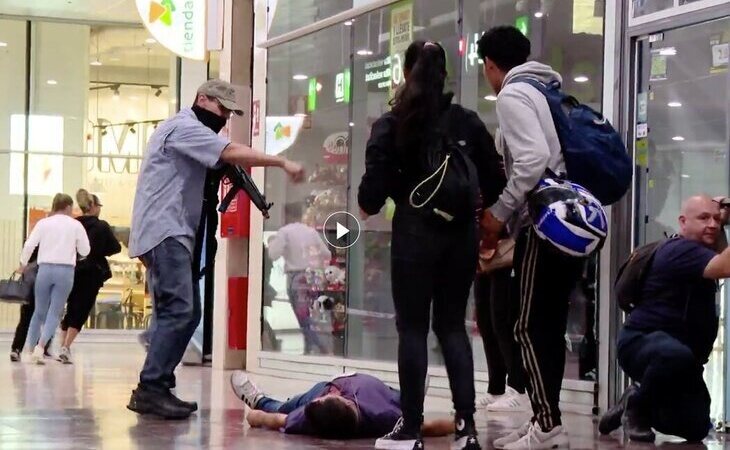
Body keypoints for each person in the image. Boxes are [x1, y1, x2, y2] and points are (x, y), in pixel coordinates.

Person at [126, 79, 304, 420]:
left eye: (229, 112)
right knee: (181, 308)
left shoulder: (190, 131)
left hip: (175, 232)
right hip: (166, 231)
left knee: (185, 312)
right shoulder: (182, 127)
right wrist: (281, 162)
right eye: (220, 109)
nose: (223, 117)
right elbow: (230, 151)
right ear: (202, 99)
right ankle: (151, 387)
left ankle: (157, 383)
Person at [358, 41, 506, 450]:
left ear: (406, 74)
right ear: (446, 75)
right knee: (453, 327)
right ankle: (466, 427)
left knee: (413, 329)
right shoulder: (468, 122)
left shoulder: (392, 124)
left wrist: (381, 196)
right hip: (461, 236)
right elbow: (494, 181)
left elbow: (371, 195)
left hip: (414, 235)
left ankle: (410, 428)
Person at [477, 26, 587, 449]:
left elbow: (532, 160)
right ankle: (546, 419)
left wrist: (500, 211)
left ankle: (547, 424)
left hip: (543, 221)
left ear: (490, 64)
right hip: (568, 221)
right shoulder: (546, 90)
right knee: (547, 324)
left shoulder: (513, 94)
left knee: (525, 325)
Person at [599, 195, 730, 443]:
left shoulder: (702, 252)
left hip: (683, 360)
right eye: (703, 218)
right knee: (674, 354)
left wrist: (723, 226)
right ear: (683, 222)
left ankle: (632, 400)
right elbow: (726, 266)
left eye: (716, 218)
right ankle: (638, 409)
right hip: (643, 344)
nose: (712, 224)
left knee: (696, 427)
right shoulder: (680, 250)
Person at [230, 371, 454, 440]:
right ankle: (413, 397)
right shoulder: (385, 417)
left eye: (324, 398)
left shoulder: (311, 415)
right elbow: (430, 428)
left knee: (283, 407)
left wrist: (255, 415)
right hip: (384, 394)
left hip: (320, 386)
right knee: (406, 406)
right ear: (347, 402)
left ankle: (258, 398)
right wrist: (461, 423)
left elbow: (275, 419)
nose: (327, 397)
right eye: (329, 397)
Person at [18, 193, 90, 365]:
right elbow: (86, 250)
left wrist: (22, 263)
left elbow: (29, 245)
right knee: (55, 312)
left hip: (44, 269)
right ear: (67, 207)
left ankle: (29, 348)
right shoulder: (75, 225)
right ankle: (41, 347)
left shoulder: (44, 223)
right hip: (65, 271)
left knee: (39, 311)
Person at [55, 189, 122, 364]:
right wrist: (99, 251)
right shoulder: (102, 226)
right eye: (99, 205)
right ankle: (66, 347)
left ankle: (62, 345)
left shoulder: (74, 224)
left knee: (71, 307)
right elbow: (116, 248)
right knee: (82, 309)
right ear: (93, 207)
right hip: (92, 274)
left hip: (72, 270)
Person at [267, 203, 332, 355]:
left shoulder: (285, 232)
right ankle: (314, 346)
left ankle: (316, 347)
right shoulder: (311, 232)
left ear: (286, 215)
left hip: (296, 277)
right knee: (314, 314)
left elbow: (273, 254)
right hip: (313, 276)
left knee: (302, 316)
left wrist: (273, 244)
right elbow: (326, 253)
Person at [474, 268, 529, 412]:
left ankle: (518, 387)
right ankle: (496, 388)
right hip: (485, 255)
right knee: (485, 321)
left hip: (507, 256)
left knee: (503, 320)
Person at [9, 248, 52, 362]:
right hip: (43, 290)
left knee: (25, 320)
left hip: (30, 289)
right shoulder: (51, 253)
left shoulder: (34, 247)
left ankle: (16, 349)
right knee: (46, 320)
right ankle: (42, 348)